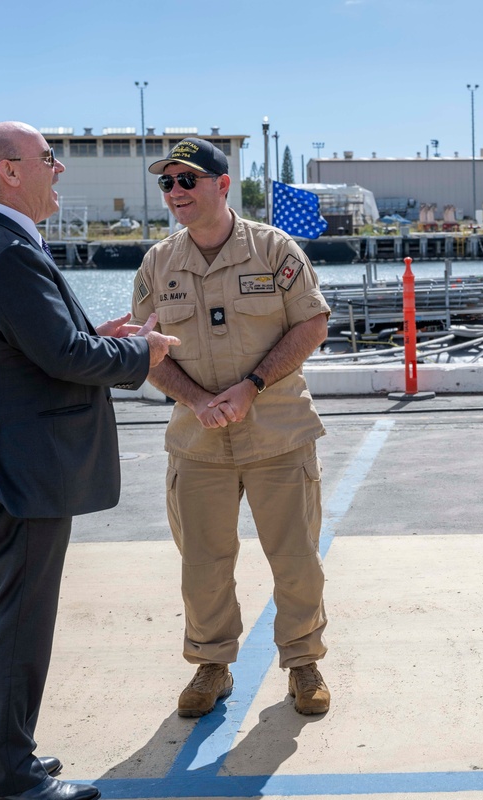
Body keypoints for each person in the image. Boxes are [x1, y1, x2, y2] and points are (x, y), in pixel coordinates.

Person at [0, 121, 178, 800]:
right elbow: (64, 359)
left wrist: (93, 336)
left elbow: (33, 347)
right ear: (10, 172)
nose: (60, 169)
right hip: (22, 470)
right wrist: (143, 352)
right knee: (17, 627)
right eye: (50, 159)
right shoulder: (9, 251)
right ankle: (10, 780)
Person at [130, 138, 333, 718]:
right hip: (198, 440)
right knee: (203, 562)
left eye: (187, 180)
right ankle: (212, 666)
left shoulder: (274, 250)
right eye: (167, 183)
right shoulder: (158, 263)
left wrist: (252, 386)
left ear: (223, 186)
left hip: (277, 432)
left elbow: (312, 325)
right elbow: (144, 348)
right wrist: (197, 400)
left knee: (295, 558)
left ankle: (304, 664)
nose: (175, 193)